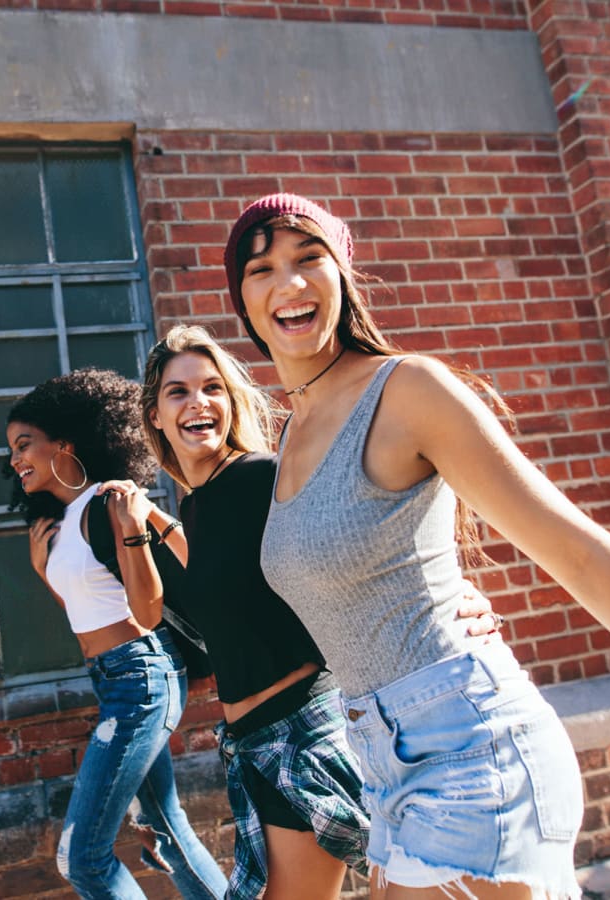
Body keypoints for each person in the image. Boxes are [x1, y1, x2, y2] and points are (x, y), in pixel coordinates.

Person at [223, 192, 610, 900]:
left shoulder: (405, 390)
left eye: (309, 258)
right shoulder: (288, 437)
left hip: (474, 748)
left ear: (342, 274)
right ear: (243, 302)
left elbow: (579, 553)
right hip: (382, 764)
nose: (289, 283)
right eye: (261, 269)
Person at [102, 324, 502, 900]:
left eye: (212, 387)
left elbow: (362, 539)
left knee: (437, 889)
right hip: (255, 747)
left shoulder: (266, 477)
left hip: (313, 731)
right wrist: (139, 527)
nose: (198, 403)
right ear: (156, 415)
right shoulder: (199, 506)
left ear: (231, 400)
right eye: (177, 392)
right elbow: (164, 603)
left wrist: (458, 595)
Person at [4, 367, 227, 900]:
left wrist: (138, 530)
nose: (15, 461)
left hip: (141, 676)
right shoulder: (58, 524)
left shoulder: (109, 501)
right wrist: (43, 571)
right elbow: (87, 610)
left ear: (65, 443)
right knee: (167, 832)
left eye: (24, 444)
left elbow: (168, 590)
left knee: (81, 859)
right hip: (112, 679)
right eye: (10, 451)